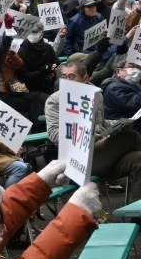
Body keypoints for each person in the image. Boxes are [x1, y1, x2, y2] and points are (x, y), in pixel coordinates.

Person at [46, 59, 141, 201]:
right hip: (78, 157)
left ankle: (137, 216)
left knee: (139, 158)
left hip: (102, 153)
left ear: (85, 78)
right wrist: (86, 134)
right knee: (131, 136)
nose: (66, 80)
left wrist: (121, 124)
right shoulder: (55, 100)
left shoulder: (96, 94)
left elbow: (102, 123)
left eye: (71, 77)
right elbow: (53, 134)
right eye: (64, 77)